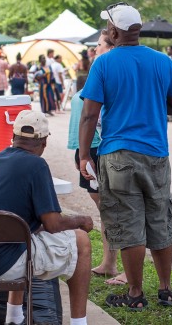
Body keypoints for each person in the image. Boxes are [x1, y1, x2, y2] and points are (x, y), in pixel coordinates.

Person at [79, 2, 172, 309]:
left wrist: (84, 155)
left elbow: (89, 116)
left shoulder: (103, 63)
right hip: (156, 155)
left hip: (117, 156)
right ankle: (166, 289)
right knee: (159, 220)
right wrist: (154, 103)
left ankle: (136, 293)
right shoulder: (162, 61)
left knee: (128, 224)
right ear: (137, 30)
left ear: (114, 31)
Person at [0, 110, 93, 325]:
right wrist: (81, 220)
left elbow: (29, 224)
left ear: (13, 138)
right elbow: (53, 224)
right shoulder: (37, 165)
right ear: (43, 142)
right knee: (81, 241)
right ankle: (80, 323)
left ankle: (14, 318)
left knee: (20, 239)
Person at [69, 31, 126, 286]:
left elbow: (98, 116)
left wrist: (85, 154)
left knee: (114, 211)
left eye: (100, 45)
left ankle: (124, 269)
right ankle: (109, 263)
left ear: (112, 48)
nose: (95, 50)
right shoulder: (100, 70)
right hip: (86, 149)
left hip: (95, 149)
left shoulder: (110, 73)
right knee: (107, 210)